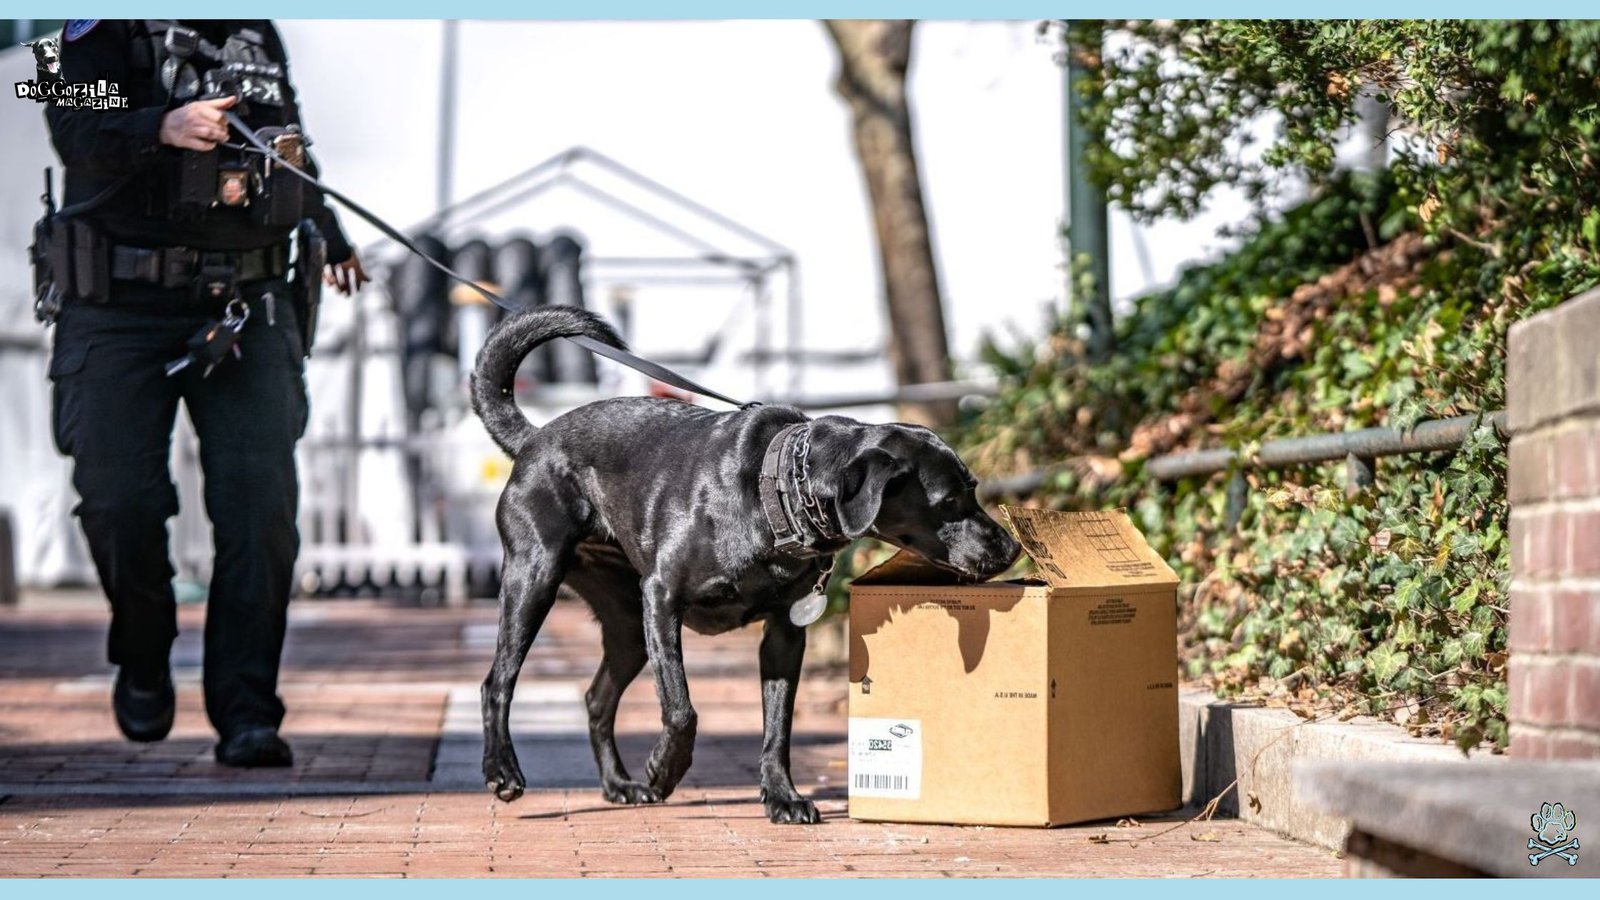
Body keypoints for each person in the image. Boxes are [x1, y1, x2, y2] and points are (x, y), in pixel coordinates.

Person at [43, 19, 368, 767]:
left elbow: (287, 142)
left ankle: (248, 711)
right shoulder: (84, 30)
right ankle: (145, 649)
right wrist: (161, 125)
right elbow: (68, 126)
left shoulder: (257, 32)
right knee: (119, 500)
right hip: (117, 305)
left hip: (246, 302)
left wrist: (331, 230)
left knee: (261, 514)